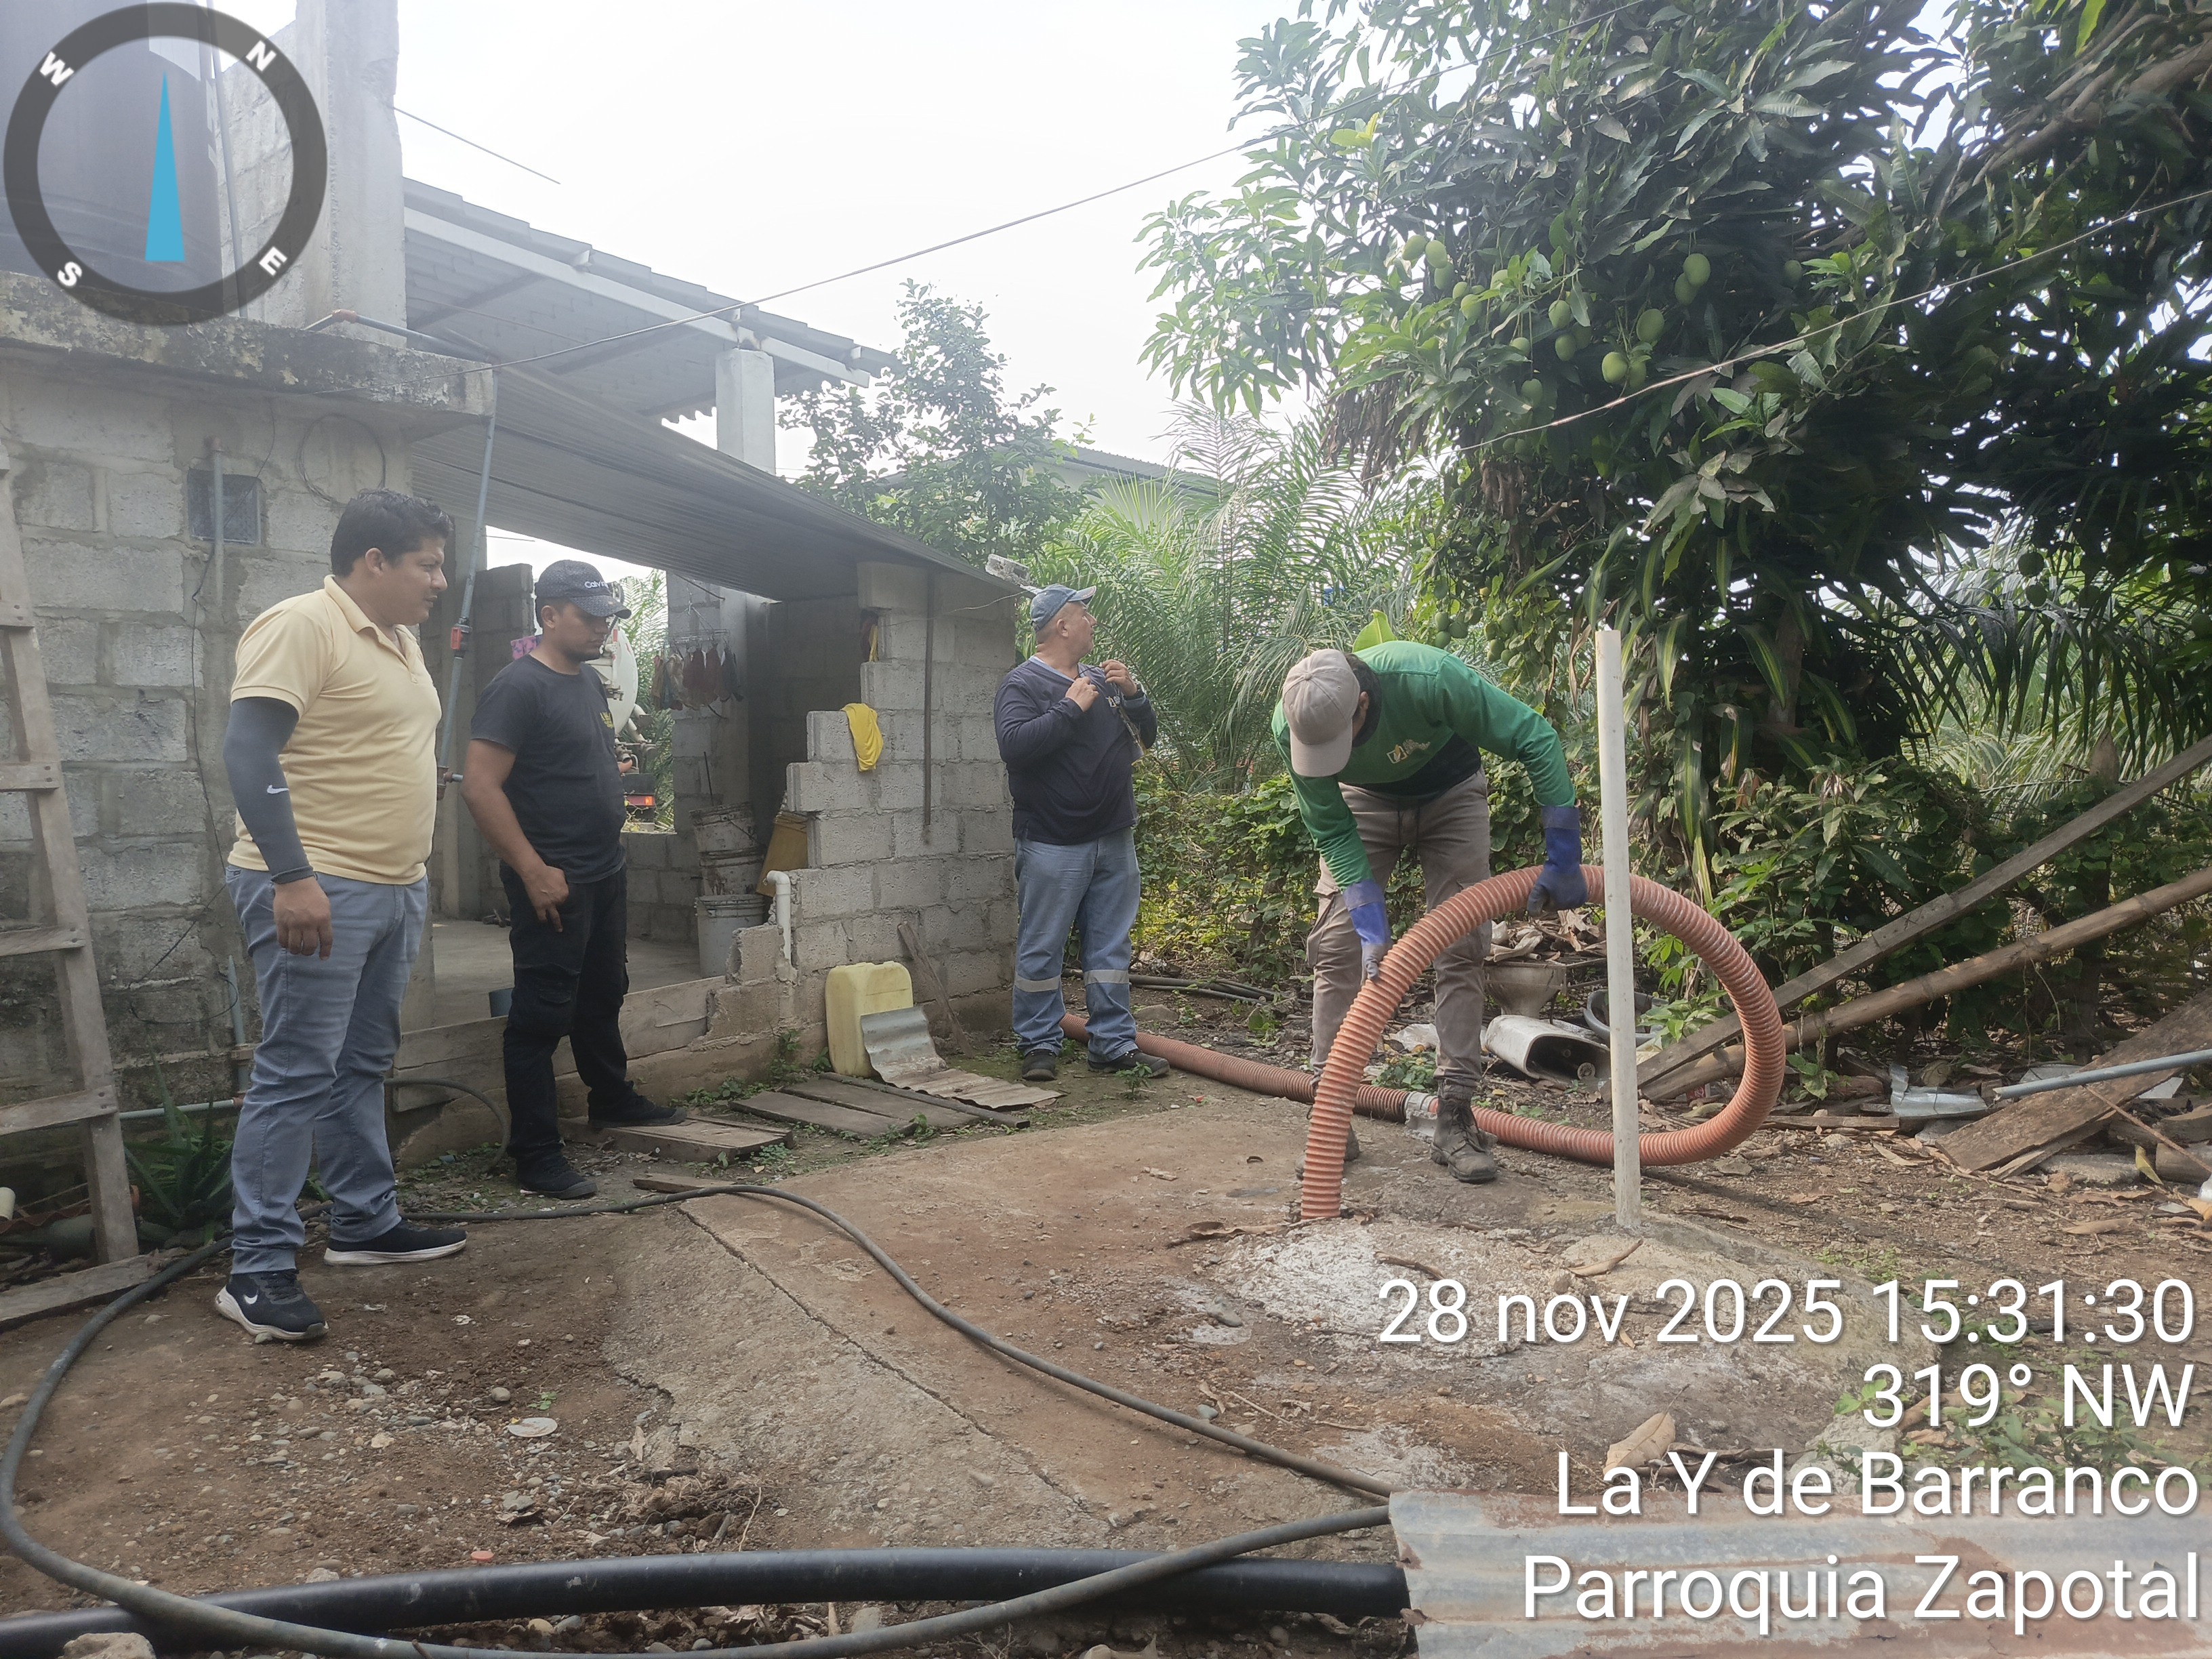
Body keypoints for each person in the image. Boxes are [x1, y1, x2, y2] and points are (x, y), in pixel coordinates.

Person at [217, 489, 470, 1343]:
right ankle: (256, 1271)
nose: (439, 581)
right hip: (316, 886)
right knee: (297, 1071)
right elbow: (248, 749)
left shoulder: (400, 640)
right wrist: (292, 877)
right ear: (375, 561)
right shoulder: (302, 624)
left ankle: (364, 1223)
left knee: (360, 1062)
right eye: (428, 565)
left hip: (394, 886)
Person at [1274, 640, 1585, 1183]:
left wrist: (1562, 850)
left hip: (1451, 793)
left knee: (1462, 945)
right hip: (1362, 801)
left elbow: (1535, 737)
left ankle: (1456, 1116)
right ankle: (1331, 1113)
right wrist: (1367, 913)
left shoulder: (1428, 679)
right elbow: (1330, 826)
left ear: (1363, 704)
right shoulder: (1294, 723)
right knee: (1339, 945)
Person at [461, 560, 687, 1201]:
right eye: (589, 618)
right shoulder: (517, 687)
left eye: (607, 618)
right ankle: (535, 1154)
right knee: (541, 1014)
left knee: (604, 990)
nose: (601, 628)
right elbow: (480, 786)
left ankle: (610, 1099)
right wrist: (533, 871)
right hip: (553, 879)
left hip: (603, 869)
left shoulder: (587, 682)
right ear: (549, 615)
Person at [994, 583, 1170, 1083]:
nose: (1093, 622)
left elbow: (1147, 737)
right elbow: (1014, 747)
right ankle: (1038, 1044)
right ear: (1062, 626)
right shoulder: (1021, 685)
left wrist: (1134, 696)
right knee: (1043, 946)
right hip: (1052, 841)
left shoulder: (1101, 680)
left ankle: (1113, 1044)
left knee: (1111, 949)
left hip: (1114, 836)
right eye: (1084, 614)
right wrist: (1069, 709)